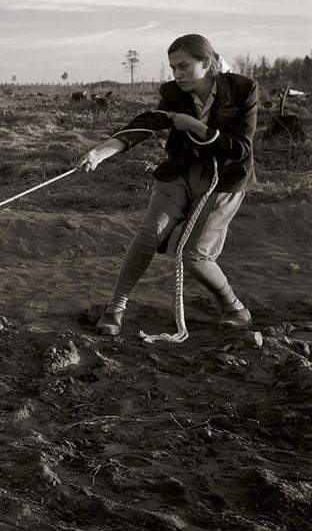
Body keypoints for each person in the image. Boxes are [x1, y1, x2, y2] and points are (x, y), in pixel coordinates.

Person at [78, 34, 258, 335]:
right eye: (173, 67)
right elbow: (144, 124)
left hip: (225, 179)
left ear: (208, 62)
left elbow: (241, 148)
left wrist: (198, 127)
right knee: (149, 233)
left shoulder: (243, 90)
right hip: (181, 171)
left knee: (193, 255)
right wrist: (99, 153)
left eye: (184, 66)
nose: (177, 74)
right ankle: (116, 308)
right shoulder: (174, 94)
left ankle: (234, 307)